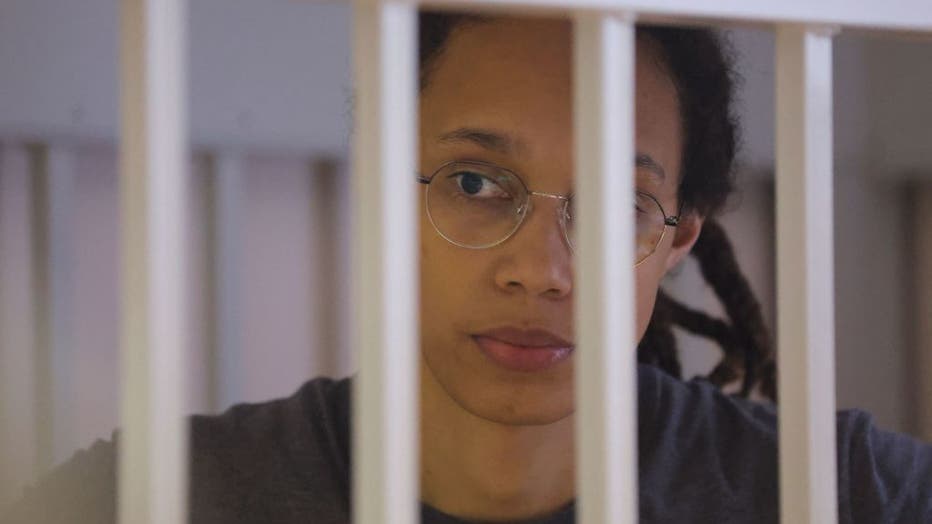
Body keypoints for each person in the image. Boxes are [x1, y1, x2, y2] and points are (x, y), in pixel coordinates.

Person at [3, 11, 931, 524]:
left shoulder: (843, 495)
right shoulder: (155, 500)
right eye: (476, 181)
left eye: (616, 206)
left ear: (676, 241)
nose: (542, 271)